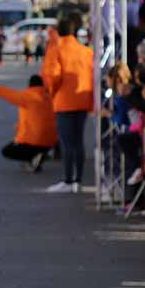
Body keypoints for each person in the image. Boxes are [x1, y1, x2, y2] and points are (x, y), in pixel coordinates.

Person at [42, 14, 94, 193]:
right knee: (78, 142)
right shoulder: (86, 51)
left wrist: (51, 92)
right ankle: (77, 180)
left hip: (64, 100)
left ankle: (68, 179)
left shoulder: (55, 50)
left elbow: (52, 75)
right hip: (83, 99)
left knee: (67, 143)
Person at [0, 75, 57, 172]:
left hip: (34, 140)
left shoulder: (27, 96)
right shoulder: (50, 98)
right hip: (51, 141)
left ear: (29, 85)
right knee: (33, 140)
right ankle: (42, 154)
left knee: (7, 151)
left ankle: (33, 158)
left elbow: (5, 92)